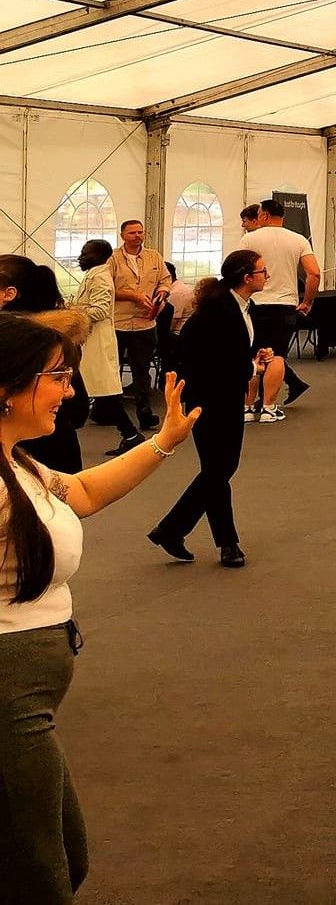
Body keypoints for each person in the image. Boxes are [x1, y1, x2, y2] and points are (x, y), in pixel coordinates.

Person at [0, 311, 197, 902]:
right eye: (57, 377)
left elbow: (83, 492)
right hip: (9, 693)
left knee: (59, 853)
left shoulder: (19, 463)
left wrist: (163, 441)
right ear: (6, 388)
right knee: (40, 869)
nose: (70, 391)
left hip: (27, 694)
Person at [150, 249, 267, 568]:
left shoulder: (244, 307)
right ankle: (226, 543)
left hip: (225, 397)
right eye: (262, 272)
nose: (266, 276)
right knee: (219, 470)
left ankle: (173, 529)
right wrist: (250, 368)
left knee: (220, 469)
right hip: (208, 398)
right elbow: (209, 356)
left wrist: (253, 358)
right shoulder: (218, 311)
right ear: (246, 277)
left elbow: (234, 350)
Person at [0, 258, 86, 474]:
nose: (68, 390)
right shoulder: (56, 339)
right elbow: (79, 409)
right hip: (55, 449)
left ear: (8, 294)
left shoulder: (24, 345)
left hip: (34, 453)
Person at [235, 198, 317, 409]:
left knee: (253, 355)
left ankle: (248, 406)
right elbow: (314, 273)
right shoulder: (299, 240)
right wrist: (307, 301)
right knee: (277, 355)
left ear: (263, 215)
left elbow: (236, 271)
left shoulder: (249, 240)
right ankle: (269, 407)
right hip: (284, 305)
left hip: (254, 304)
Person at [70, 241, 143, 454]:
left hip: (97, 343)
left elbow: (100, 311)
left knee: (102, 392)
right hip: (91, 342)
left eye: (86, 252)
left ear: (99, 255)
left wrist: (74, 314)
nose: (81, 256)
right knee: (102, 393)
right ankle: (130, 434)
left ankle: (130, 433)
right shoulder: (94, 275)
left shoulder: (100, 278)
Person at [108, 219, 171, 432]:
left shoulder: (154, 256)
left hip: (146, 323)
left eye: (140, 232)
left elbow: (165, 279)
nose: (137, 236)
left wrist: (162, 293)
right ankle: (108, 410)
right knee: (112, 369)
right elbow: (106, 289)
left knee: (141, 369)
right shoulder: (112, 259)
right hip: (119, 322)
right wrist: (132, 295)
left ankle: (144, 412)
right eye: (133, 232)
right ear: (122, 235)